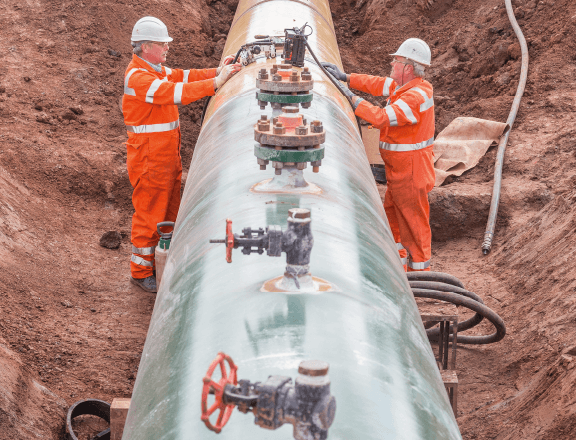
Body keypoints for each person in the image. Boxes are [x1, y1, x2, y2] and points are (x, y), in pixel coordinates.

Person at [123, 16, 241, 292]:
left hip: (164, 156)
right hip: (149, 159)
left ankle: (161, 258)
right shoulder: (139, 77)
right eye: (162, 44)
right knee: (150, 213)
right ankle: (141, 271)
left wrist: (217, 71)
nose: (167, 48)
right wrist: (215, 83)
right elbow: (176, 92)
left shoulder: (154, 70)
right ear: (146, 47)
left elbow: (183, 76)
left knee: (169, 210)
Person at [322, 38, 435, 272]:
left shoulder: (415, 97)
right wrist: (346, 78)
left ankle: (421, 276)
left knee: (414, 227)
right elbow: (378, 84)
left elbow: (381, 118)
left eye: (396, 61)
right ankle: (397, 271)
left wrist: (352, 99)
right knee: (393, 222)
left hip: (411, 172)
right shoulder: (404, 86)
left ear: (408, 68)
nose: (392, 64)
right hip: (400, 171)